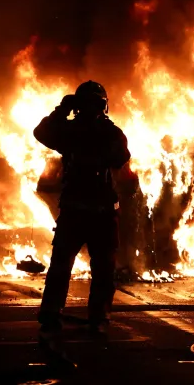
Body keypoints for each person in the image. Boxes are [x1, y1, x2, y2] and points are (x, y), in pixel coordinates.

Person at [33, 80, 131, 338]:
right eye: (85, 104)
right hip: (79, 211)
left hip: (101, 212)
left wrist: (68, 119)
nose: (90, 109)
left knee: (102, 270)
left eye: (94, 104)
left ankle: (98, 317)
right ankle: (53, 314)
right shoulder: (72, 132)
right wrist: (61, 110)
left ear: (102, 106)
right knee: (62, 266)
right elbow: (41, 132)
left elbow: (121, 156)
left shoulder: (107, 134)